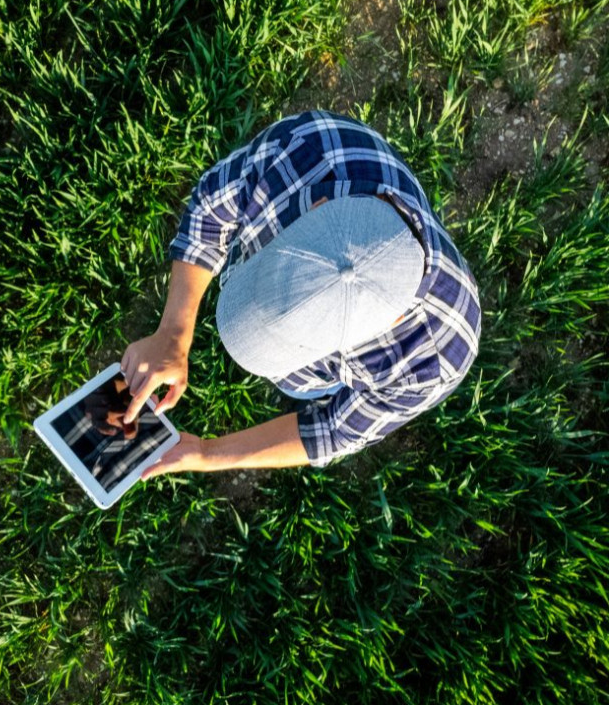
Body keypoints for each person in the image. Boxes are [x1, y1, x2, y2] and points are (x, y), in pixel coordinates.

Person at [124, 110, 481, 480]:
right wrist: (173, 332)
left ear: (388, 325)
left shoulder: (434, 361)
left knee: (311, 390)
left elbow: (332, 428)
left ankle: (314, 382)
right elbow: (210, 212)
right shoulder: (304, 147)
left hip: (341, 371)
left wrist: (207, 453)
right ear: (319, 207)